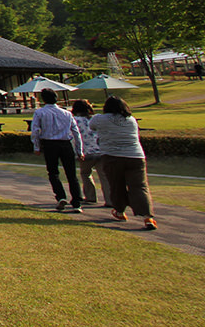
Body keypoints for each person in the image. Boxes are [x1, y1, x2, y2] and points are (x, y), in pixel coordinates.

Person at [89, 96, 157, 230]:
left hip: (112, 156)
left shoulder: (100, 119)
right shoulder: (131, 120)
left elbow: (91, 127)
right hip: (136, 156)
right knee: (140, 186)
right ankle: (147, 217)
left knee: (116, 185)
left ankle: (119, 211)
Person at [30, 88, 84, 213]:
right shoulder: (67, 113)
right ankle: (76, 202)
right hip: (66, 144)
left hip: (50, 144)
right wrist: (79, 150)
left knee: (53, 172)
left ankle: (60, 196)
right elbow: (76, 132)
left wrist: (36, 147)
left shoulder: (40, 113)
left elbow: (35, 131)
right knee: (71, 174)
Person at [70, 99, 110, 207]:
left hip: (86, 152)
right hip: (100, 151)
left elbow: (73, 137)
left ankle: (91, 196)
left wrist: (77, 151)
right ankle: (110, 199)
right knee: (104, 176)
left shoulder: (75, 120)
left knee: (86, 174)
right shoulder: (96, 119)